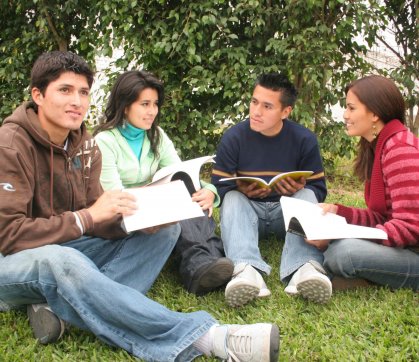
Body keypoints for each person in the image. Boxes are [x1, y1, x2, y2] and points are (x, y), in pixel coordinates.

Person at [0, 51, 280, 361]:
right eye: (65, 90)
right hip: (14, 262)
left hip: (68, 245)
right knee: (60, 259)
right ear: (38, 95)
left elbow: (97, 218)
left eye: (83, 92)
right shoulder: (10, 145)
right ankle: (208, 337)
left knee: (164, 231)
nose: (77, 101)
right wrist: (87, 217)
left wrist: (133, 222)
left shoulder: (84, 143)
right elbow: (9, 236)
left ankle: (60, 310)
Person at [93, 70, 233, 296]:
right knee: (175, 195)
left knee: (185, 187)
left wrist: (208, 191)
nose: (152, 111)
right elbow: (114, 194)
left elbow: (182, 172)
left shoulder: (156, 135)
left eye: (155, 104)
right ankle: (201, 265)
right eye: (145, 104)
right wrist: (156, 193)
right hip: (122, 212)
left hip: (151, 204)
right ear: (125, 105)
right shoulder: (105, 141)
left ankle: (205, 264)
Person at [212, 72, 329, 307]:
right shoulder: (234, 137)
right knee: (233, 198)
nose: (256, 111)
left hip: (285, 217)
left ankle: (304, 268)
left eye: (267, 106)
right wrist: (240, 188)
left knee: (306, 195)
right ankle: (246, 269)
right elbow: (218, 190)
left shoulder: (304, 139)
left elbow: (318, 190)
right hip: (248, 214)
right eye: (254, 102)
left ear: (285, 112)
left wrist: (297, 189)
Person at [305, 75, 419, 291]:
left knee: (343, 252)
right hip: (405, 250)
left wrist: (339, 235)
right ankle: (363, 277)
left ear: (374, 113)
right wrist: (339, 213)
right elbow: (382, 217)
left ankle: (364, 277)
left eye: (351, 108)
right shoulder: (380, 146)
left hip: (413, 252)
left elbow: (410, 228)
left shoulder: (401, 150)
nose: (345, 115)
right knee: (339, 247)